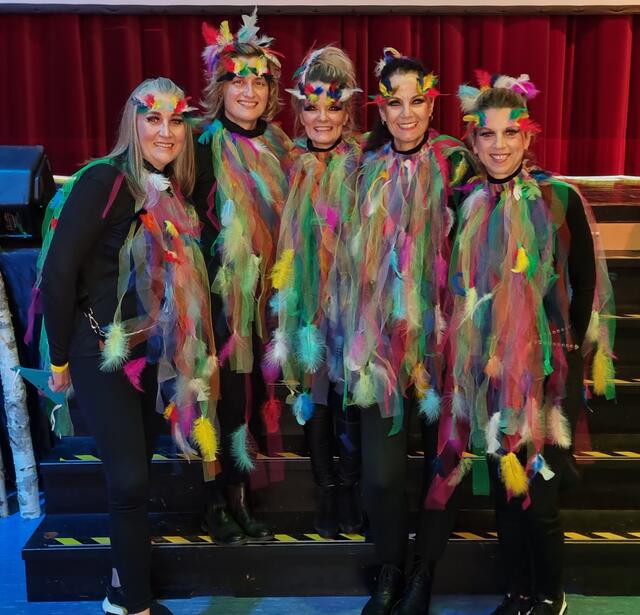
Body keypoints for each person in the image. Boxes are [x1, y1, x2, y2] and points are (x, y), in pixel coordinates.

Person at [435, 71, 615, 615]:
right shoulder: (466, 202)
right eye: (487, 135)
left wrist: (561, 354)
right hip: (490, 370)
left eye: (509, 133)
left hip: (547, 370)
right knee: (506, 491)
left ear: (527, 135)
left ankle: (549, 594)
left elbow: (582, 283)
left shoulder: (559, 198)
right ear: (473, 141)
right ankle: (515, 592)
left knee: (542, 493)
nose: (499, 146)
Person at [38, 77, 219, 615]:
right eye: (153, 119)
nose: (166, 132)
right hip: (96, 349)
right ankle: (133, 605)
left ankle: (123, 592)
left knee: (135, 476)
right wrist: (59, 359)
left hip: (142, 352)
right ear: (132, 122)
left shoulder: (165, 188)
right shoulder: (104, 180)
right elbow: (57, 273)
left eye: (175, 121)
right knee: (129, 481)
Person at [343, 48, 470, 615]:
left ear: (432, 103)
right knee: (382, 474)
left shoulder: (458, 164)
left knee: (446, 461)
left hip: (448, 342)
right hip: (383, 344)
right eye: (394, 103)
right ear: (380, 108)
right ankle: (390, 569)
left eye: (417, 100)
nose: (406, 113)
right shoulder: (363, 167)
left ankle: (423, 574)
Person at [192, 9, 291, 544]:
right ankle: (216, 502)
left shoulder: (279, 146)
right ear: (220, 87)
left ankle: (240, 497)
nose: (248, 90)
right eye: (237, 80)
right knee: (220, 398)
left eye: (259, 81)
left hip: (264, 298)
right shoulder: (198, 145)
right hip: (213, 299)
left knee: (248, 401)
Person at [267, 45, 363, 538]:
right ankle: (326, 490)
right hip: (304, 301)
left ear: (348, 111)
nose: (322, 117)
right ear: (298, 110)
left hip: (354, 300)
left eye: (333, 107)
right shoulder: (286, 161)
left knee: (349, 391)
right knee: (314, 392)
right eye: (311, 106)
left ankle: (350, 487)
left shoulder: (366, 162)